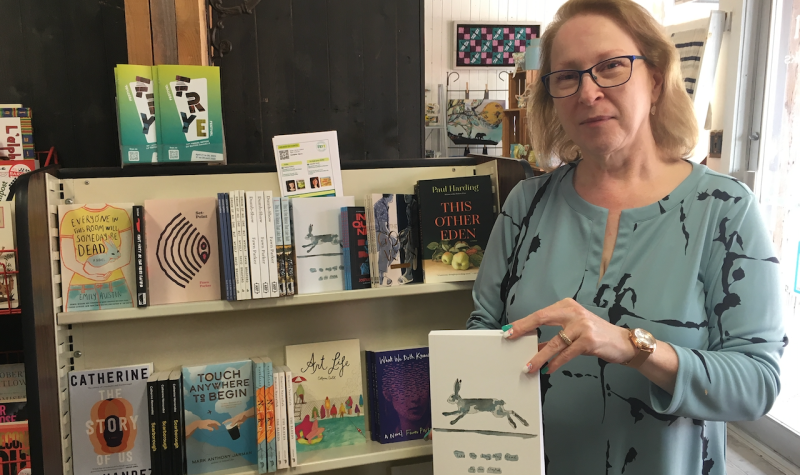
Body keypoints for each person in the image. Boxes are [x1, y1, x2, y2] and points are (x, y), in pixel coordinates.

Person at [467, 1, 786, 474]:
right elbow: (481, 332)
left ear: (655, 78)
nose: (588, 92)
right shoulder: (525, 205)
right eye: (567, 76)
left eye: (611, 66)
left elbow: (757, 383)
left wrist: (634, 347)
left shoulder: (725, 211)